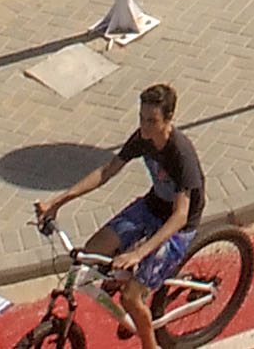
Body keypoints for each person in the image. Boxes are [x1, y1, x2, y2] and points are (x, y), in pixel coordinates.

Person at [33, 84, 212, 344]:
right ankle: (137, 288)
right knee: (92, 253)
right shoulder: (142, 138)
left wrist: (139, 252)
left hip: (178, 225)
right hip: (152, 206)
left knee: (130, 297)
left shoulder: (181, 154)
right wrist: (59, 201)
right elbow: (107, 171)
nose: (144, 127)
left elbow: (180, 216)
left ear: (169, 118)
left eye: (152, 121)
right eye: (141, 118)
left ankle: (150, 342)